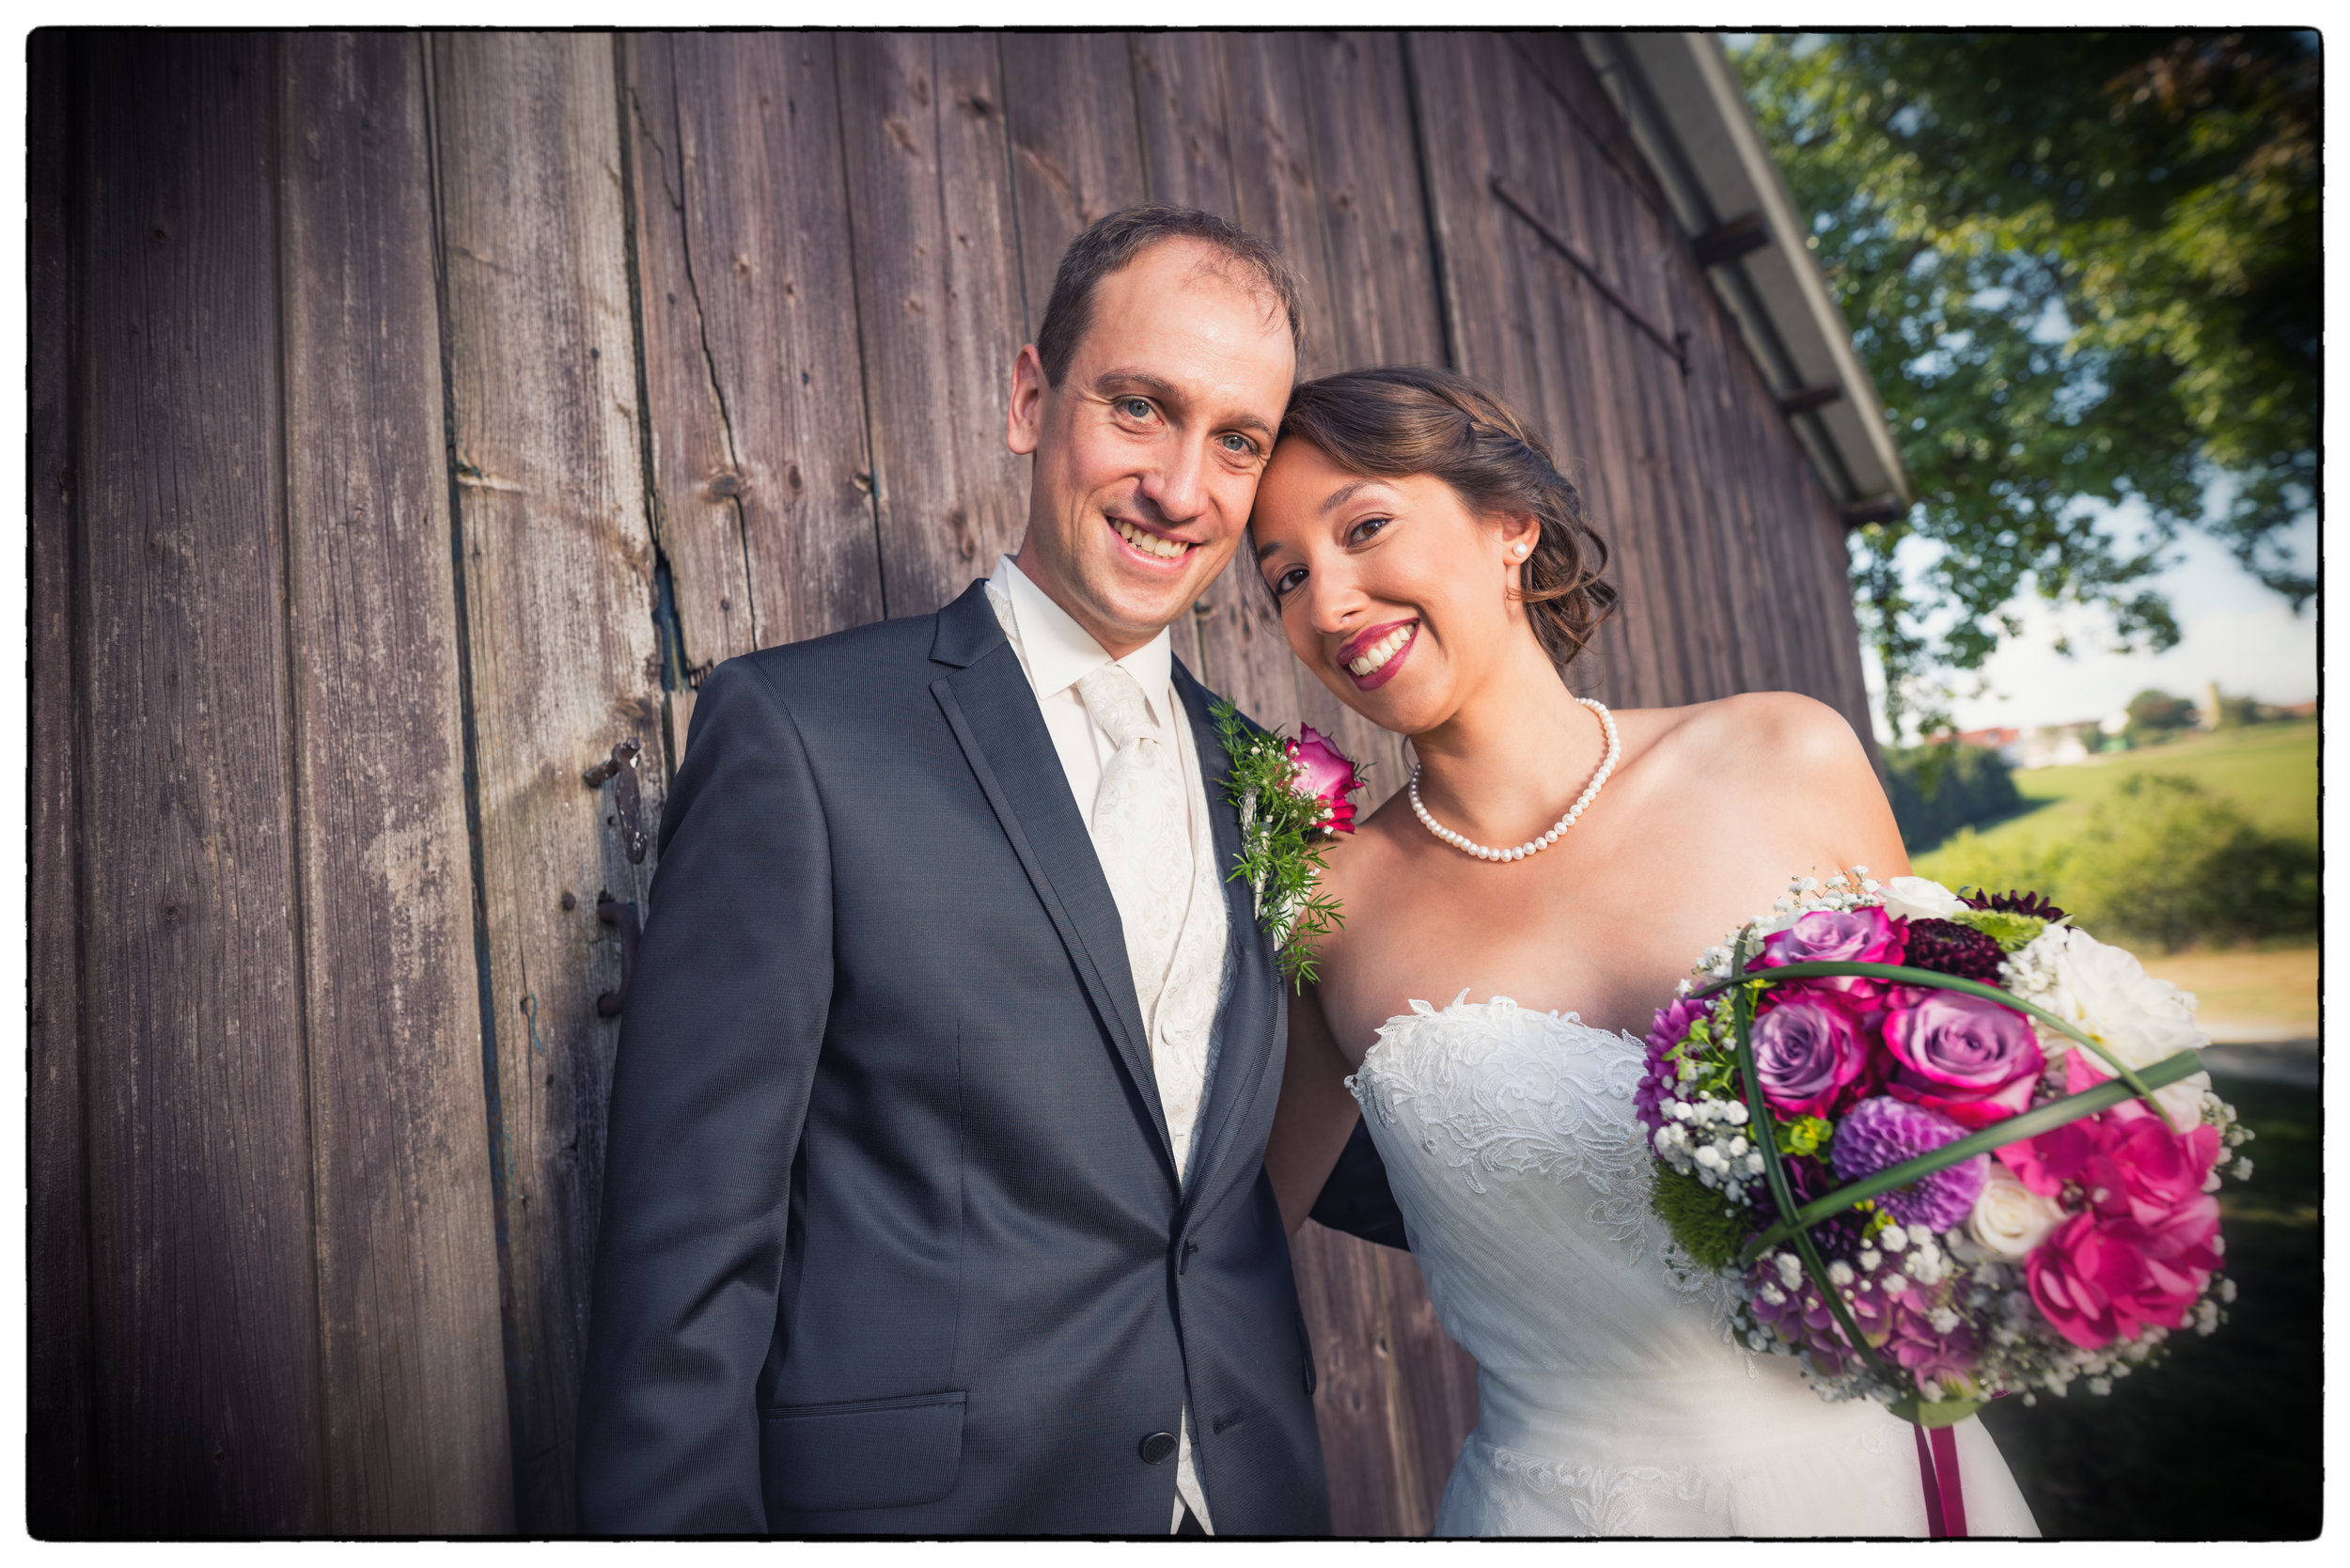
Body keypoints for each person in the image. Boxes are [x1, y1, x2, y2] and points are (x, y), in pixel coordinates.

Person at [577, 207, 1399, 1535]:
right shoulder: (801, 736)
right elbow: (689, 1256)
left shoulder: (1273, 787)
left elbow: (1260, 1149)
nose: (1182, 489)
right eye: (1138, 408)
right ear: (1032, 397)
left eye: (1236, 442)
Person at [1250, 366, 2039, 1538]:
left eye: (1365, 528)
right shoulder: (1326, 905)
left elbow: (1989, 1111)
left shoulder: (1784, 756)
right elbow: (1223, 1244)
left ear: (1507, 525)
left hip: (1890, 1480)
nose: (1331, 602)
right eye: (1286, 580)